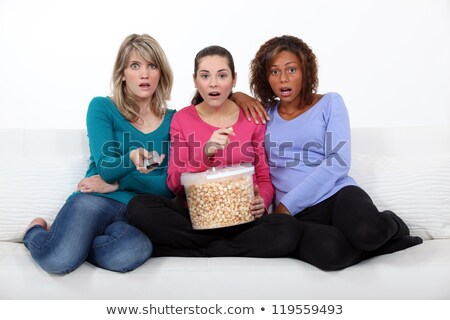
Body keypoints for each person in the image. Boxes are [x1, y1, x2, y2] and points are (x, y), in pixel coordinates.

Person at [232, 35, 423, 270]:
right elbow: (215, 101)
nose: (283, 78)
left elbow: (338, 162)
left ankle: (393, 225)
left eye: (292, 69)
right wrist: (236, 96)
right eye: (274, 72)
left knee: (367, 233)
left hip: (336, 195)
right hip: (301, 214)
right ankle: (382, 248)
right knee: (331, 254)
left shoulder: (330, 103)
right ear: (265, 77)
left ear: (306, 71)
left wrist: (286, 207)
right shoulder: (263, 114)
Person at [127, 45, 300, 257]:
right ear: (195, 79)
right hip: (195, 216)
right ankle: (224, 246)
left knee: (287, 229)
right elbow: (173, 182)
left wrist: (261, 201)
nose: (213, 83)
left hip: (241, 217)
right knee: (139, 207)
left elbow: (263, 176)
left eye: (222, 75)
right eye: (205, 76)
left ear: (234, 79)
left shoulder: (251, 118)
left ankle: (200, 248)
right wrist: (206, 154)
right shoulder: (182, 118)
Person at [23, 34, 175, 274]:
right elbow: (106, 167)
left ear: (161, 73)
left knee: (133, 251)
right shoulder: (102, 107)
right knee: (58, 260)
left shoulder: (174, 120)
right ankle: (34, 232)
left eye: (151, 66)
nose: (144, 74)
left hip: (137, 211)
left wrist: (115, 184)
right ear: (123, 73)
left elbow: (168, 186)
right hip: (94, 200)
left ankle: (79, 246)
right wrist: (132, 159)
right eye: (135, 66)